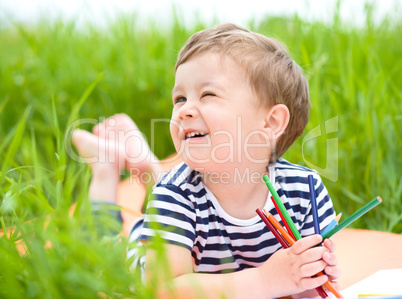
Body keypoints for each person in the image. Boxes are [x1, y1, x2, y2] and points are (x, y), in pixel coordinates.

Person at [72, 23, 340, 299]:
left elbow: (311, 289)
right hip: (150, 258)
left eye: (208, 94)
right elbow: (162, 290)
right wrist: (266, 279)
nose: (184, 110)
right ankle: (106, 168)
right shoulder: (174, 196)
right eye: (179, 98)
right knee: (96, 259)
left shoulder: (305, 190)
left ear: (271, 122)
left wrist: (312, 276)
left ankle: (148, 168)